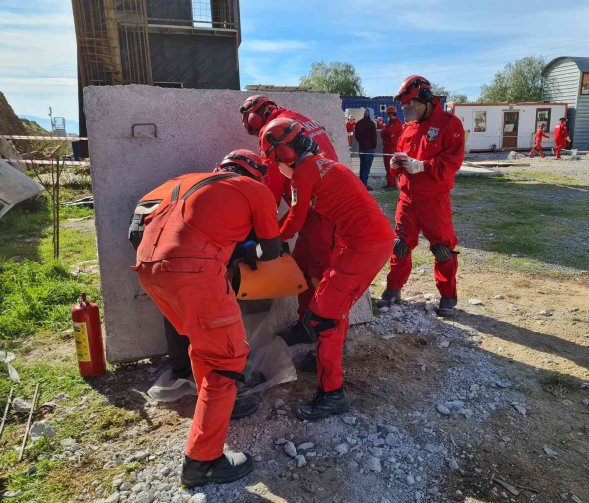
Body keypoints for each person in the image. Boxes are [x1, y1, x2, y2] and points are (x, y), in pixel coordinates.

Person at [132, 150, 281, 487]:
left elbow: (136, 223)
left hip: (147, 268)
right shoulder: (254, 189)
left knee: (203, 348)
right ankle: (203, 462)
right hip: (195, 272)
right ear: (255, 173)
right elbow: (271, 251)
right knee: (226, 359)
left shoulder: (180, 181)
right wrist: (243, 251)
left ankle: (217, 409)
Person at [260, 117, 394, 420]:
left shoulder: (304, 172)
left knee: (324, 314)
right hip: (364, 242)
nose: (275, 163)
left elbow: (295, 218)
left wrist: (271, 241)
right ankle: (326, 356)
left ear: (286, 150)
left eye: (275, 156)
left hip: (364, 245)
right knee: (332, 309)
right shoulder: (323, 164)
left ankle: (332, 394)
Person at [239, 95, 338, 345]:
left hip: (321, 214)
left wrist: (266, 233)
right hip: (314, 207)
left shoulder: (275, 132)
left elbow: (271, 189)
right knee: (304, 269)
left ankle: (330, 338)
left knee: (322, 278)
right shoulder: (296, 120)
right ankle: (307, 326)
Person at [379, 75, 465, 318]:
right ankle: (393, 289)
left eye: (410, 106)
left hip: (434, 200)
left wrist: (424, 166)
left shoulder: (450, 124)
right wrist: (397, 164)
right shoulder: (408, 128)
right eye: (404, 107)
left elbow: (453, 161)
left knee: (442, 249)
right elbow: (399, 156)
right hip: (407, 199)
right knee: (400, 246)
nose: (407, 111)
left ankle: (448, 297)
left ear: (426, 100)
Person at [380, 105, 403, 188]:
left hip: (392, 149)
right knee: (387, 166)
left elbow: (388, 132)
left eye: (388, 113)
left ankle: (392, 184)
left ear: (390, 114)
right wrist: (385, 132)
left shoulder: (397, 123)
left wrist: (385, 132)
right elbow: (384, 134)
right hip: (387, 148)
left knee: (391, 166)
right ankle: (389, 183)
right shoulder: (390, 123)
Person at [354, 110, 377, 189]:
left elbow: (356, 136)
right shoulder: (371, 124)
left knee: (362, 166)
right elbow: (374, 137)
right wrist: (373, 146)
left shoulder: (358, 123)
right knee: (366, 167)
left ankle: (361, 184)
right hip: (369, 148)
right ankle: (364, 184)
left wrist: (361, 143)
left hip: (361, 148)